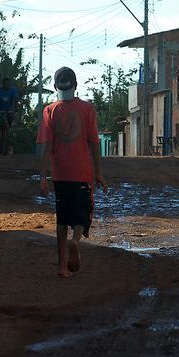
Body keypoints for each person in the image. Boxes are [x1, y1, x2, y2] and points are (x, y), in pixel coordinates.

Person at [37, 67, 108, 278]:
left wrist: (42, 175)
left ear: (54, 87)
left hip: (60, 174)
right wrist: (99, 172)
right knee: (82, 215)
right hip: (82, 173)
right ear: (76, 86)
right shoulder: (87, 110)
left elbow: (47, 146)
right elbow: (95, 142)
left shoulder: (49, 111)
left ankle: (61, 266)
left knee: (61, 220)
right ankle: (75, 240)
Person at [0, 78, 18, 153]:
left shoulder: (13, 90)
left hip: (9, 111)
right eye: (6, 84)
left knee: (9, 125)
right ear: (3, 85)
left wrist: (15, 109)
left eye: (9, 84)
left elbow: (15, 100)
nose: (8, 86)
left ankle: (7, 137)